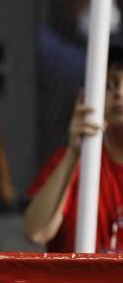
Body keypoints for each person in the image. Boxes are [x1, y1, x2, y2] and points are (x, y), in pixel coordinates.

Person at [23, 44, 123, 253]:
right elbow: (36, 232)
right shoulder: (71, 161)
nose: (119, 93)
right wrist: (74, 152)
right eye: (111, 85)